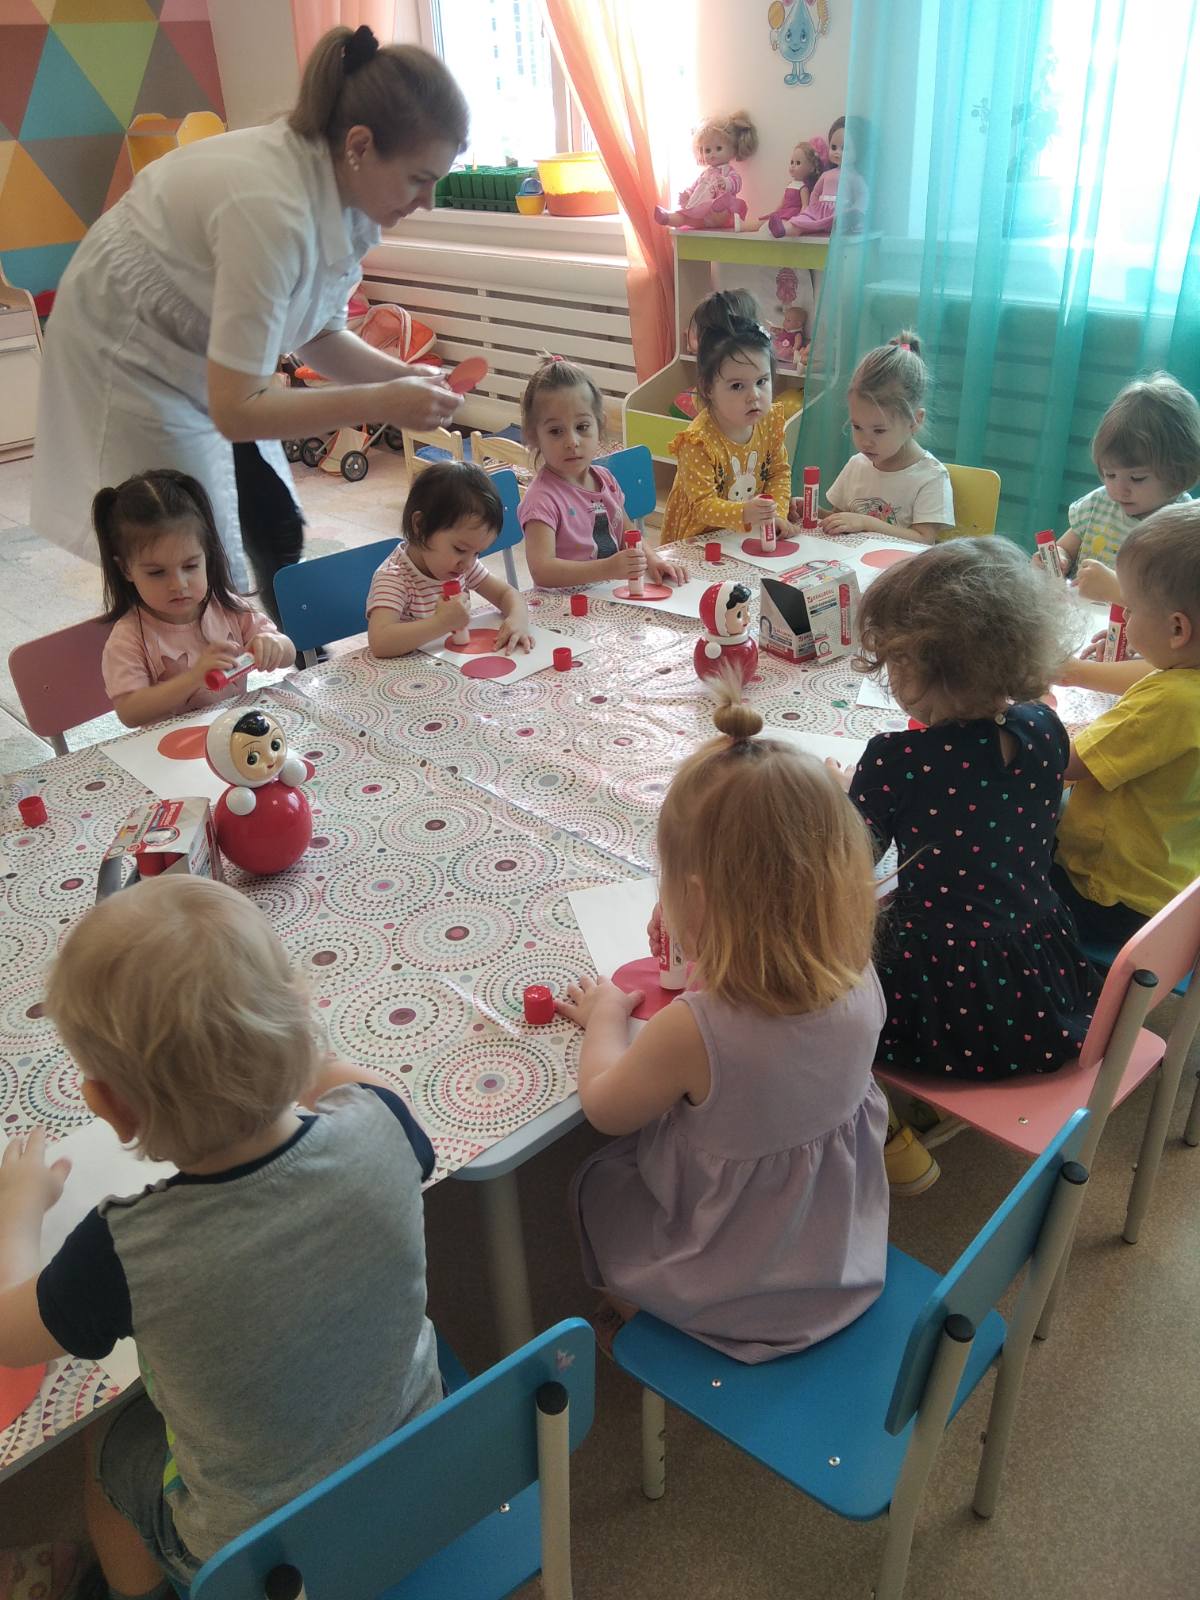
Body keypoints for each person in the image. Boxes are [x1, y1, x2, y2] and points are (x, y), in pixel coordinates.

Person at [0, 876, 441, 1596]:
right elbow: (349, 1082)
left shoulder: (120, 1252)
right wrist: (273, 1042)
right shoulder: (383, 1121)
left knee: (108, 1446)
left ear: (108, 1106)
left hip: (259, 1558)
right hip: (428, 1465)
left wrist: (18, 1208)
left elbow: (9, 1336)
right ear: (302, 1014)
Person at [31, 24, 469, 612]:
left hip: (207, 348)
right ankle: (182, 656)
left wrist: (402, 378)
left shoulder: (351, 193)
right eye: (420, 179)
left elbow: (319, 333)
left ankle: (287, 639)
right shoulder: (271, 209)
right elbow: (237, 410)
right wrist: (384, 401)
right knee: (175, 549)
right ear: (360, 146)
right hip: (127, 347)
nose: (428, 202)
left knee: (273, 518)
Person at [561, 682, 889, 1363]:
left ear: (700, 899)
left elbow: (605, 1108)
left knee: (596, 1184)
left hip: (734, 1283)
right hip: (839, 1255)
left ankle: (639, 1314)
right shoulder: (858, 970)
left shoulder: (695, 1027)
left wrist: (606, 1015)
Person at [832, 539, 1099, 1186]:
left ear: (934, 668)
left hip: (938, 988)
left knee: (822, 973)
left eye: (895, 661)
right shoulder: (1045, 728)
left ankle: (887, 1119)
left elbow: (844, 866)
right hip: (1037, 975)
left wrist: (839, 799)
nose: (889, 677)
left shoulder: (896, 760)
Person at [1054, 505, 1200, 945]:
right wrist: (1150, 649)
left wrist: (1033, 712)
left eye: (1130, 610)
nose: (1125, 619)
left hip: (1108, 895)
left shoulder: (1170, 701)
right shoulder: (1184, 679)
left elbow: (1066, 764)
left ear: (1177, 629)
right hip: (1171, 880)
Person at [97, 470, 295, 729]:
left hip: (234, 736)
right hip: (171, 748)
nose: (178, 584)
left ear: (207, 556)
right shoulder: (128, 637)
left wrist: (274, 645)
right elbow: (130, 712)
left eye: (190, 566)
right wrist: (194, 678)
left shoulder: (227, 607)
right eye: (157, 572)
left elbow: (289, 652)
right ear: (125, 569)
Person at [517, 356, 687, 589]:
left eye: (582, 427)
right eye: (556, 431)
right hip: (565, 606)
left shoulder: (605, 479)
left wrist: (653, 560)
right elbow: (542, 571)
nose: (572, 441)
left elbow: (629, 533)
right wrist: (607, 568)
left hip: (609, 595)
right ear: (533, 435)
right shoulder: (541, 500)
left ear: (600, 424)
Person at [1042, 372, 1200, 605]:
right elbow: (1065, 548)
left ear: (1178, 474)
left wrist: (1117, 590)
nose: (1118, 489)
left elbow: (1175, 607)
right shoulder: (1099, 504)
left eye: (1136, 478)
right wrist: (1058, 559)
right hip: (1081, 619)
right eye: (1110, 474)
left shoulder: (1184, 525)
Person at [660, 290, 801, 543]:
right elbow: (703, 506)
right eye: (737, 386)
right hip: (697, 542)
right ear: (708, 389)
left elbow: (778, 473)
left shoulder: (769, 421)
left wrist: (777, 514)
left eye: (762, 381)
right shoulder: (697, 441)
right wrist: (745, 512)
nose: (753, 395)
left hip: (744, 536)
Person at [366, 461, 532, 657]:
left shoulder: (463, 566)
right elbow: (381, 642)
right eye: (460, 549)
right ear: (420, 526)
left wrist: (518, 618)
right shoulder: (394, 578)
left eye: (477, 553)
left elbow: (506, 594)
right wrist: (441, 623)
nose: (468, 563)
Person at [821, 332, 955, 543]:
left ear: (915, 421)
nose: (865, 441)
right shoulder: (857, 465)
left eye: (879, 430)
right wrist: (811, 512)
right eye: (857, 427)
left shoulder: (931, 477)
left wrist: (865, 522)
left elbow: (924, 540)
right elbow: (839, 520)